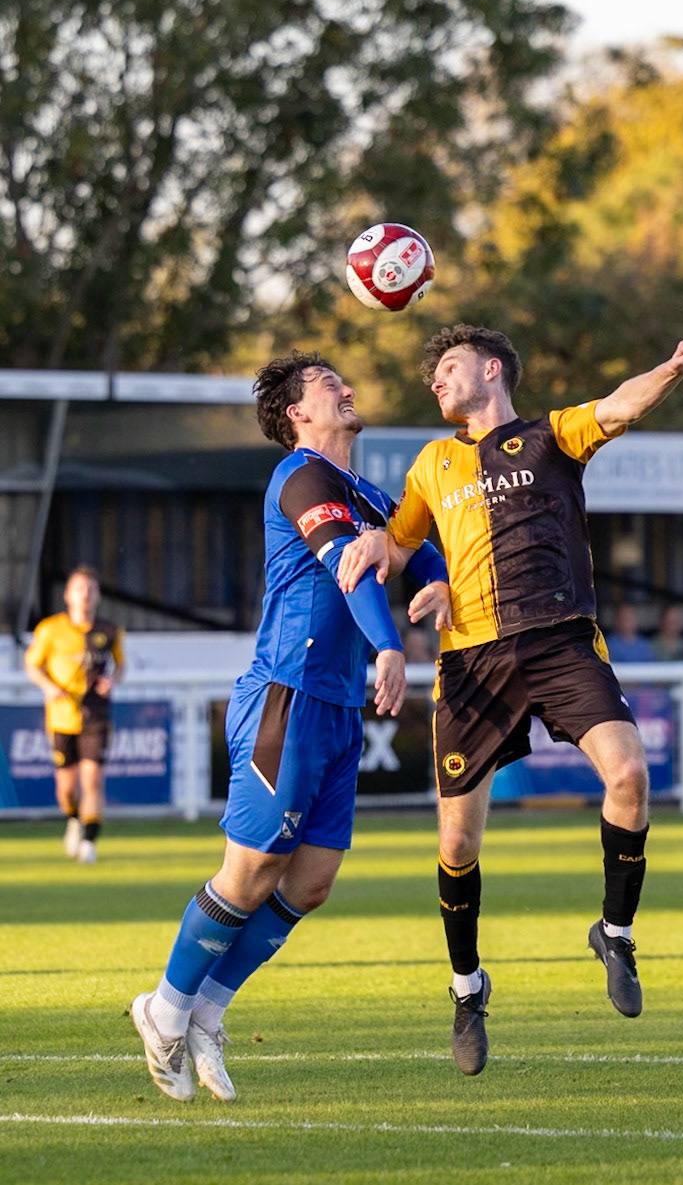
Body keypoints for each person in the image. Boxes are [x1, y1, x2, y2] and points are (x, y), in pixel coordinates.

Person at [339, 323, 683, 1075]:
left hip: (560, 638)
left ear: (492, 369)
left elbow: (620, 408)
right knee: (457, 845)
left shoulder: (550, 437)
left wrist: (672, 366)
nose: (436, 382)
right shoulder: (432, 463)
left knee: (631, 776)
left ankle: (615, 932)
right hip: (474, 660)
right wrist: (374, 551)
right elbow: (398, 541)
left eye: (448, 368)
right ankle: (467, 989)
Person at [130, 350, 449, 1103]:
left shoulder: (365, 489)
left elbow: (417, 543)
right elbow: (351, 567)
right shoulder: (304, 478)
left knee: (309, 882)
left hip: (336, 708)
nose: (344, 384)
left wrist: (433, 573)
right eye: (325, 383)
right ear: (298, 414)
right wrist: (387, 647)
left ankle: (207, 1009)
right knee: (249, 873)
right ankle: (165, 1008)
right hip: (288, 696)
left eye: (341, 376)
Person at [24, 565, 125, 864]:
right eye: (80, 588)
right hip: (61, 717)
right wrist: (48, 687)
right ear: (68, 594)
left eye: (91, 589)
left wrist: (112, 680)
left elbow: (120, 665)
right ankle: (73, 819)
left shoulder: (109, 631)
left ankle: (90, 843)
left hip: (96, 715)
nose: (85, 595)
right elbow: (32, 665)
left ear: (98, 596)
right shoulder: (50, 629)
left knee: (92, 780)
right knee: (66, 789)